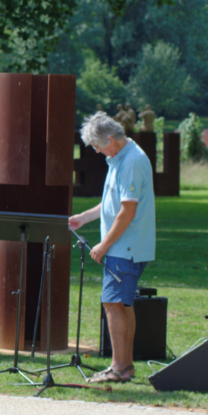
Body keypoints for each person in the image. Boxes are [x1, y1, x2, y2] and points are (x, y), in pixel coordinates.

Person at [69, 111, 156, 383]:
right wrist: (84, 218)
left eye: (96, 145)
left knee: (113, 303)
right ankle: (124, 367)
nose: (95, 151)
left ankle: (119, 368)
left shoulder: (131, 161)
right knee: (122, 304)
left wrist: (104, 244)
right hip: (124, 246)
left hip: (125, 248)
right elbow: (111, 202)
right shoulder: (118, 158)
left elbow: (127, 212)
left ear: (110, 139)